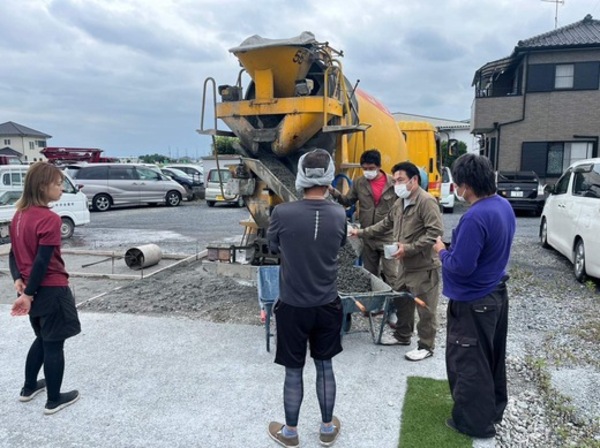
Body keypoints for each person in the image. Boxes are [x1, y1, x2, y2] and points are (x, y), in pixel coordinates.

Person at [267, 149, 347, 447]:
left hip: (292, 306)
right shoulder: (339, 213)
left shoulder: (282, 213)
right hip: (327, 304)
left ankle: (290, 433)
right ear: (329, 176)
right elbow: (339, 243)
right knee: (325, 366)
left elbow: (274, 246)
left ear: (301, 175)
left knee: (293, 370)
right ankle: (327, 429)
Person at [433, 153, 515, 439]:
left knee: (469, 362)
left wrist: (441, 251)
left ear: (465, 186)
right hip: (495, 294)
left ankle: (474, 423)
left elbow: (461, 266)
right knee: (491, 357)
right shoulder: (503, 206)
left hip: (474, 300)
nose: (456, 189)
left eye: (457, 184)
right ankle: (493, 409)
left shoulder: (475, 216)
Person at [350, 161, 443, 361]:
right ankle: (402, 335)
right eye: (395, 181)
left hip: (423, 266)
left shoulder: (426, 202)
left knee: (425, 308)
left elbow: (434, 233)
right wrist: (360, 232)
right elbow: (384, 225)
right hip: (405, 265)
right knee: (402, 299)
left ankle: (426, 346)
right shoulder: (400, 202)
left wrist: (408, 248)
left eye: (400, 180)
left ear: (414, 180)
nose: (397, 185)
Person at [10, 162, 81, 415]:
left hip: (32, 289)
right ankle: (54, 399)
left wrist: (19, 280)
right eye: (58, 183)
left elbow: (13, 253)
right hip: (50, 289)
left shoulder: (19, 216)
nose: (62, 188)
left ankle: (29, 388)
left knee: (42, 338)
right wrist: (27, 293)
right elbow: (42, 260)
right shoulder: (50, 219)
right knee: (53, 344)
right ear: (42, 186)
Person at [329, 149, 397, 286]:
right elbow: (347, 201)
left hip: (389, 237)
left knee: (393, 275)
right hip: (367, 237)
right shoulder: (359, 183)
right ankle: (375, 306)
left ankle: (394, 304)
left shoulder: (393, 184)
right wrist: (333, 192)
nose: (367, 172)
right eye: (364, 168)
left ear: (379, 167)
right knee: (370, 276)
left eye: (371, 168)